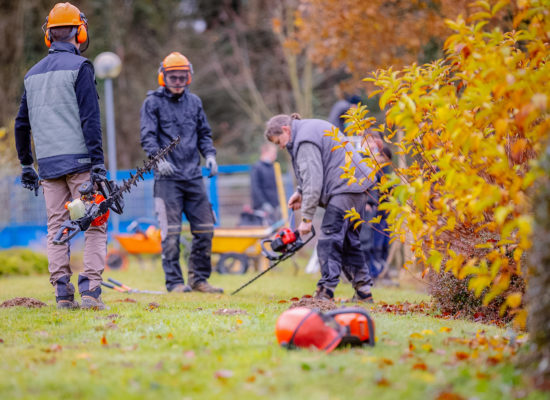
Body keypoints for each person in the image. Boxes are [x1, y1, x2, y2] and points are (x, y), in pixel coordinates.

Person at [14, 2, 107, 310]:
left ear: (49, 36)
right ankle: (92, 291)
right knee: (94, 224)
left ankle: (62, 294)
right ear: (80, 32)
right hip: (81, 163)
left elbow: (21, 124)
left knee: (56, 227)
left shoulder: (32, 74)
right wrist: (99, 166)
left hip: (49, 166)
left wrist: (27, 164)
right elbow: (90, 120)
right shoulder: (81, 67)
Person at [264, 113, 375, 302]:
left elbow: (314, 181)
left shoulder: (304, 138)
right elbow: (318, 168)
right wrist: (300, 192)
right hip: (357, 186)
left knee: (329, 240)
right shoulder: (309, 129)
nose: (281, 146)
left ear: (285, 130)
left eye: (279, 141)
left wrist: (306, 220)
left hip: (345, 188)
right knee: (349, 242)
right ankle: (364, 292)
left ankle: (325, 292)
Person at [140, 52, 222, 294]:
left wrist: (210, 155)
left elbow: (204, 134)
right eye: (173, 77)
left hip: (193, 176)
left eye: (182, 77)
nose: (177, 82)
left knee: (206, 229)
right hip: (167, 181)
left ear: (189, 77)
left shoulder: (195, 103)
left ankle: (199, 279)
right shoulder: (152, 103)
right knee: (171, 234)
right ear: (163, 77)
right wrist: (159, 159)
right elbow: (147, 136)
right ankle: (175, 283)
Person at [250, 142, 279, 224]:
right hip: (261, 208)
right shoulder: (257, 167)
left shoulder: (273, 167)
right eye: (273, 152)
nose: (275, 155)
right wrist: (263, 203)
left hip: (274, 206)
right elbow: (255, 188)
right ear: (265, 152)